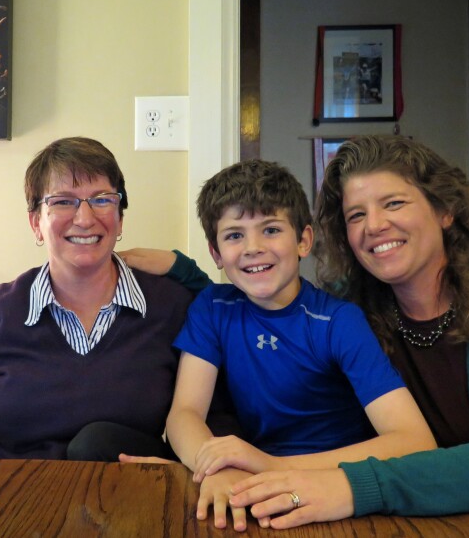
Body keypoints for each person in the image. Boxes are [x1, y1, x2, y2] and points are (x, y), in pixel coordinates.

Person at [130, 135, 469, 530]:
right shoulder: (361, 303)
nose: (375, 225)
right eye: (356, 215)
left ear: (445, 210)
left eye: (393, 203)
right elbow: (249, 301)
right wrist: (183, 270)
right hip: (353, 504)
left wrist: (288, 472)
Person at [160, 159, 433, 531]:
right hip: (256, 486)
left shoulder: (337, 322)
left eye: (270, 229)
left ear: (303, 240)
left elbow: (414, 441)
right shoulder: (213, 308)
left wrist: (270, 466)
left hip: (338, 487)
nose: (253, 248)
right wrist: (212, 468)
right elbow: (184, 414)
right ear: (216, 254)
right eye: (234, 235)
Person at [0, 137, 195, 462]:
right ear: (36, 223)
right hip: (12, 505)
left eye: (102, 200)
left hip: (127, 504)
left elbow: (211, 431)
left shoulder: (173, 306)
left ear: (120, 218)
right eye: (63, 202)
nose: (85, 218)